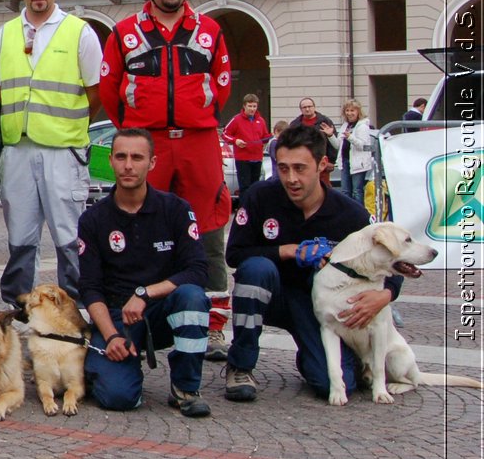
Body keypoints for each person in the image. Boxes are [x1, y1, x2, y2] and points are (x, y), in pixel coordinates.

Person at [98, 0, 233, 360]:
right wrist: (136, 128)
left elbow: (222, 82)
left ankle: (213, 325)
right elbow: (109, 87)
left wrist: (200, 114)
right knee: (143, 224)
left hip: (198, 140)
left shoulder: (210, 29)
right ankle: (141, 316)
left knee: (207, 227)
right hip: (148, 140)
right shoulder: (125, 33)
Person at [223, 125, 390, 403]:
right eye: (283, 168)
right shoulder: (260, 197)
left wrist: (385, 294)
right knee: (255, 269)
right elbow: (235, 254)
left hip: (317, 305)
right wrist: (286, 251)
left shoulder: (350, 214)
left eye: (300, 168)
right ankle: (240, 365)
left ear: (322, 164)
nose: (291, 178)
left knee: (335, 385)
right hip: (272, 293)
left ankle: (315, 357)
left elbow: (391, 255)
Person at [0, 0, 102, 305]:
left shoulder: (80, 33)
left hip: (63, 152)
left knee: (70, 235)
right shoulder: (4, 36)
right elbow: (0, 90)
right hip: (18, 149)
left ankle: (75, 310)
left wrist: (66, 126)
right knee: (20, 236)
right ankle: (21, 309)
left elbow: (95, 92)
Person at [77, 128, 212, 417]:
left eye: (137, 157)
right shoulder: (93, 219)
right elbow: (90, 288)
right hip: (117, 317)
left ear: (151, 163)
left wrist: (145, 293)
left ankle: (185, 388)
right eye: (121, 157)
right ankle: (108, 365)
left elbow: (199, 270)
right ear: (110, 160)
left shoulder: (175, 209)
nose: (128, 165)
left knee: (192, 296)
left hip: (161, 310)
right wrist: (112, 337)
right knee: (117, 397)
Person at [223, 94, 269, 195]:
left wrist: (273, 136)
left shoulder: (260, 121)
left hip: (257, 158)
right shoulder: (236, 119)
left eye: (254, 106)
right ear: (244, 106)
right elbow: (225, 134)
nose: (252, 109)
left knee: (255, 186)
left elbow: (265, 137)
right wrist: (236, 141)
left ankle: (254, 209)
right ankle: (245, 209)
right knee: (245, 187)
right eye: (250, 106)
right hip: (243, 159)